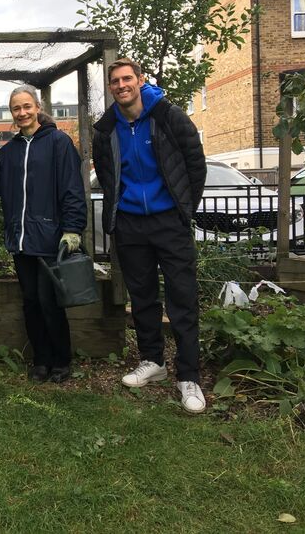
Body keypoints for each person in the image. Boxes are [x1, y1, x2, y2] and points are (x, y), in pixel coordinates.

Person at [92, 58, 207, 413]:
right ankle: (153, 362)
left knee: (182, 298)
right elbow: (109, 176)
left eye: (128, 78)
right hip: (129, 223)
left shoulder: (168, 116)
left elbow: (195, 163)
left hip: (169, 221)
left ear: (140, 81)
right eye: (115, 81)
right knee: (141, 297)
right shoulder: (106, 128)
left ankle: (189, 376)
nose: (122, 85)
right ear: (110, 88)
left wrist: (183, 209)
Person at [0, 85, 86, 384]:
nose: (22, 112)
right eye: (16, 108)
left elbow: (72, 189)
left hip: (51, 238)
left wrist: (72, 228)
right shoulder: (9, 151)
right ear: (12, 113)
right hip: (21, 239)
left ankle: (61, 360)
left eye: (27, 106)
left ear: (37, 107)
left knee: (49, 301)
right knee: (30, 301)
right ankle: (40, 360)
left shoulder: (58, 142)